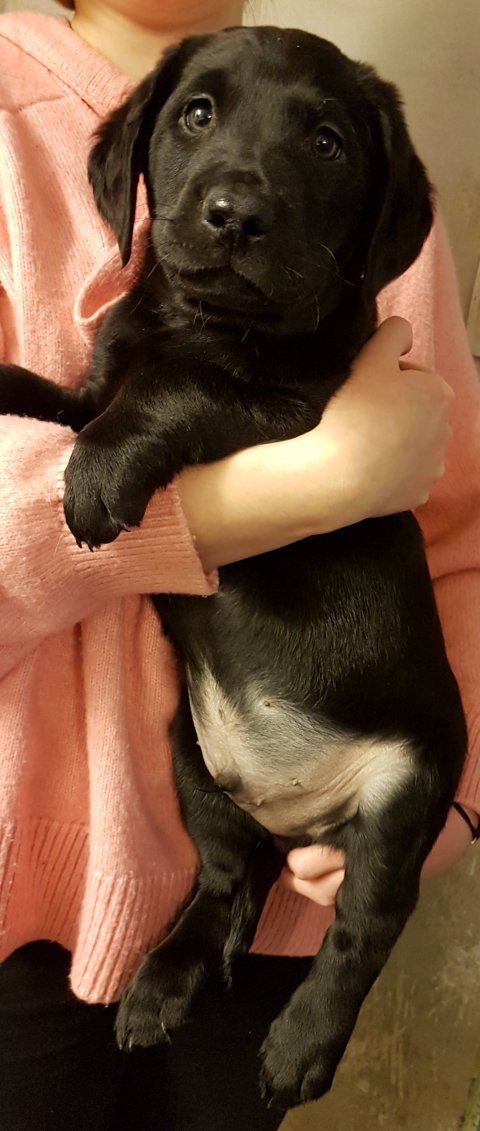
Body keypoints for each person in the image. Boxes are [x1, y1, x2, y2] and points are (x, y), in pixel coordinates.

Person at [0, 1, 478, 1129]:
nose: (239, 193)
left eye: (322, 144)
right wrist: (317, 481)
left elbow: (464, 543)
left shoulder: (373, 236)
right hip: (22, 902)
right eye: (199, 117)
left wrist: (449, 807)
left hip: (288, 900)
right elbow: (94, 448)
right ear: (132, 172)